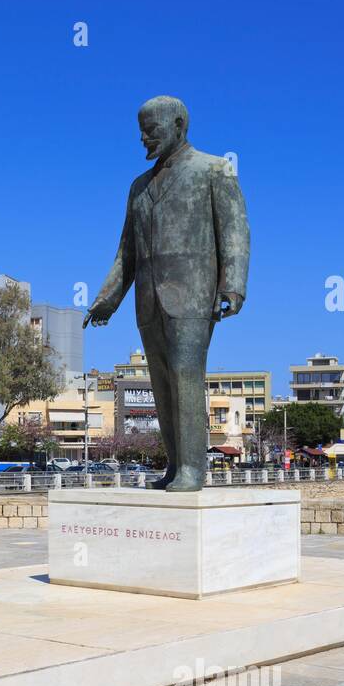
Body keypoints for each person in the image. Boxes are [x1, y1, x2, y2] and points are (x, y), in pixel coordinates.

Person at [85, 96, 250, 492]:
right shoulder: (138, 188)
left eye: (151, 130)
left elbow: (235, 231)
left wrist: (233, 284)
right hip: (147, 301)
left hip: (194, 296)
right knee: (161, 384)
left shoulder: (214, 170)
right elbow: (127, 251)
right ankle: (175, 467)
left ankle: (194, 469)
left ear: (178, 125)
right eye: (140, 131)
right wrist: (106, 299)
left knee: (185, 375)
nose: (143, 139)